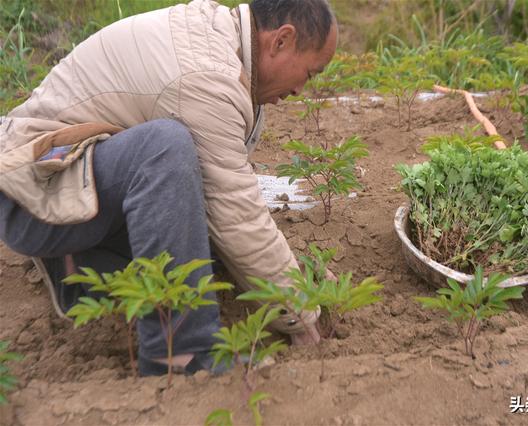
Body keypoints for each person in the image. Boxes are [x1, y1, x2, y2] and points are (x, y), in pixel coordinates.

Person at [0, 0, 338, 376]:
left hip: (66, 181)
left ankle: (81, 262)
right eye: (310, 73)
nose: (301, 90)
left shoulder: (222, 45)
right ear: (281, 40)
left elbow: (221, 203)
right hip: (33, 195)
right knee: (165, 148)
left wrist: (301, 277)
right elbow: (237, 217)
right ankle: (182, 354)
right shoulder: (208, 77)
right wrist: (302, 313)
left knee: (199, 235)